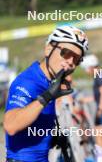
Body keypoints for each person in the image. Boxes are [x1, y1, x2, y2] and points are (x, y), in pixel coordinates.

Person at [3, 26, 89, 162]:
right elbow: (10, 125)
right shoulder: (28, 82)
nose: (71, 62)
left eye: (77, 59)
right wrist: (46, 97)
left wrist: (53, 136)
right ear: (49, 49)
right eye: (66, 53)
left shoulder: (48, 81)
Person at [80, 54, 102, 147]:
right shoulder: (100, 74)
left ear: (90, 67)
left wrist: (100, 109)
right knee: (101, 133)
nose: (86, 72)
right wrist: (87, 99)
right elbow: (99, 95)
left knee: (99, 134)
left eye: (86, 69)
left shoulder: (99, 76)